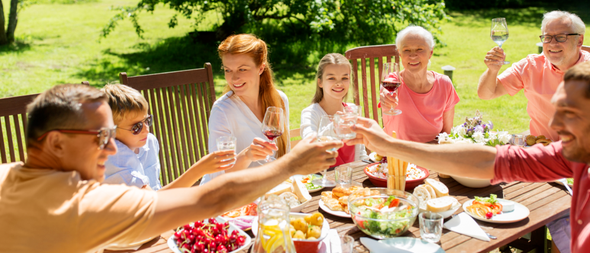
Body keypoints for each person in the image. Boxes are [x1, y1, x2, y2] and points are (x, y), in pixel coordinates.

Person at [0, 84, 339, 253]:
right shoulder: (77, 206)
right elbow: (211, 200)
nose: (108, 147)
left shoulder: (10, 174)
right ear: (57, 143)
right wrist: (290, 164)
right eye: (99, 136)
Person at [347, 58, 590, 253]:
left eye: (571, 114)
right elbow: (486, 160)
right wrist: (389, 145)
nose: (554, 126)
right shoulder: (578, 157)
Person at [477, 10, 590, 142]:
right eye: (547, 37)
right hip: (541, 150)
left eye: (561, 37)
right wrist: (492, 71)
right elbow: (486, 94)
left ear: (579, 40)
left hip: (583, 154)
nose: (553, 43)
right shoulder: (531, 66)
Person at [102, 84, 235, 190]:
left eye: (147, 121)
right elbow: (152, 203)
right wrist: (199, 170)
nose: (146, 130)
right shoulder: (115, 158)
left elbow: (154, 190)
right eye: (136, 127)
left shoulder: (148, 142)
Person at [200, 34, 290, 185]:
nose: (234, 78)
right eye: (228, 70)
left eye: (242, 69)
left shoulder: (279, 100)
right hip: (230, 196)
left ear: (260, 68)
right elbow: (218, 177)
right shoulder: (223, 111)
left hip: (266, 190)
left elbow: (284, 155)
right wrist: (247, 156)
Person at [380, 26, 460, 142]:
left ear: (430, 53)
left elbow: (447, 132)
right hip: (399, 155)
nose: (413, 55)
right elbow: (386, 92)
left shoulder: (444, 84)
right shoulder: (393, 82)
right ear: (400, 54)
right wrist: (386, 97)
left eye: (419, 49)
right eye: (406, 50)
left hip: (432, 153)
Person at [300, 53, 368, 167]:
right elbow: (310, 146)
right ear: (320, 82)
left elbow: (361, 153)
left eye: (344, 78)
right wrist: (335, 127)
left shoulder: (352, 111)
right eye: (331, 78)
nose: (339, 83)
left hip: (351, 178)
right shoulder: (310, 113)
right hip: (321, 178)